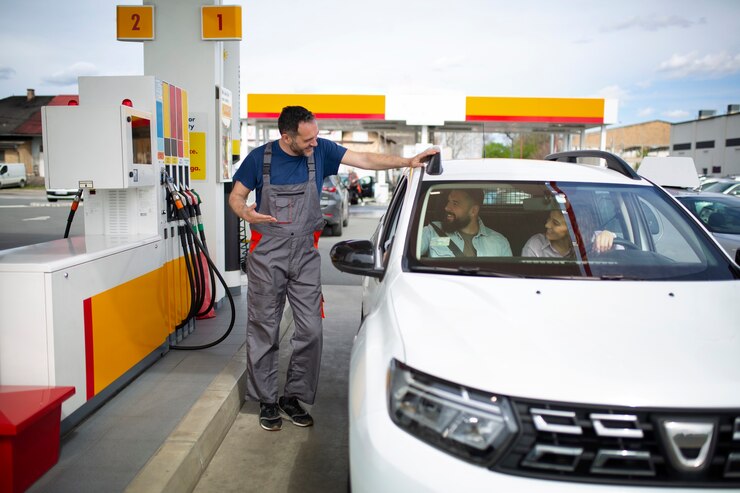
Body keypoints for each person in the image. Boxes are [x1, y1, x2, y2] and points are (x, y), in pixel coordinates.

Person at [228, 106, 438, 431]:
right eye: (307, 138)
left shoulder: (321, 151)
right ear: (287, 137)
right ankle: (267, 401)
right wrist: (246, 213)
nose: (315, 142)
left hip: (305, 256)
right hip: (267, 255)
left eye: (316, 136)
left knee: (311, 330)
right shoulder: (260, 159)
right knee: (264, 329)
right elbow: (236, 196)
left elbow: (365, 160)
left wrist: (408, 162)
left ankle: (292, 397)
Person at [420, 189, 512, 257]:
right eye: (449, 201)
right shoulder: (432, 231)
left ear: (473, 211)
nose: (447, 207)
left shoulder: (499, 242)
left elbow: (509, 279)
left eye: (455, 203)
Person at [521, 208, 615, 257]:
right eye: (549, 218)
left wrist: (610, 235)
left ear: (573, 229)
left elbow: (625, 253)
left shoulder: (595, 239)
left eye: (555, 223)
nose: (547, 225)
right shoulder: (535, 245)